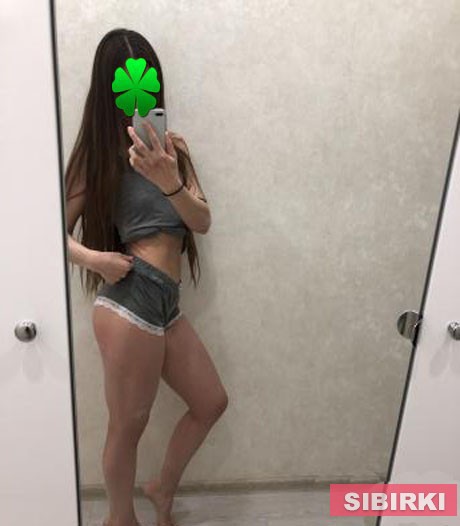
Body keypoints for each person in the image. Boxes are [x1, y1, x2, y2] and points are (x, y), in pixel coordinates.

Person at [65, 28, 229, 526]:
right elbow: (47, 233)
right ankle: (120, 519)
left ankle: (161, 488)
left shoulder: (172, 149)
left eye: (148, 82)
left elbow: (201, 220)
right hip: (128, 300)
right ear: (110, 91)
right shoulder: (97, 157)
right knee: (128, 425)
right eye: (128, 85)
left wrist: (169, 178)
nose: (140, 96)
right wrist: (96, 260)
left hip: (165, 303)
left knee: (210, 401)